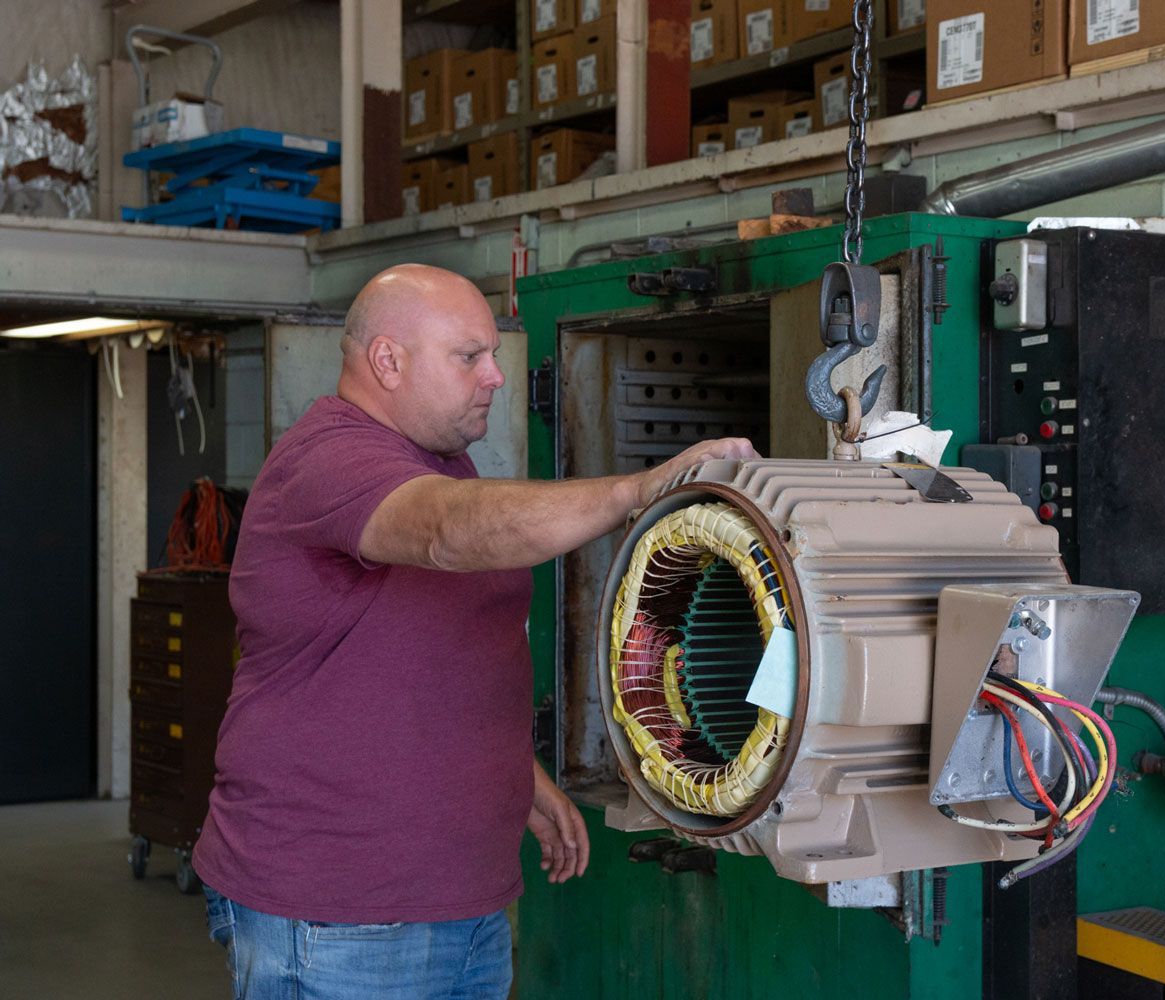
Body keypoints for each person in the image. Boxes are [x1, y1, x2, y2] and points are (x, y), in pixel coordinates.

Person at [190, 263, 755, 998]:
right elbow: (447, 534)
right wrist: (639, 490)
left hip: (460, 907)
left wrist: (516, 777)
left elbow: (421, 652)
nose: (495, 376)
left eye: (493, 354)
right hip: (339, 916)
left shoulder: (442, 461)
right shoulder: (330, 458)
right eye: (469, 357)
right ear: (387, 360)